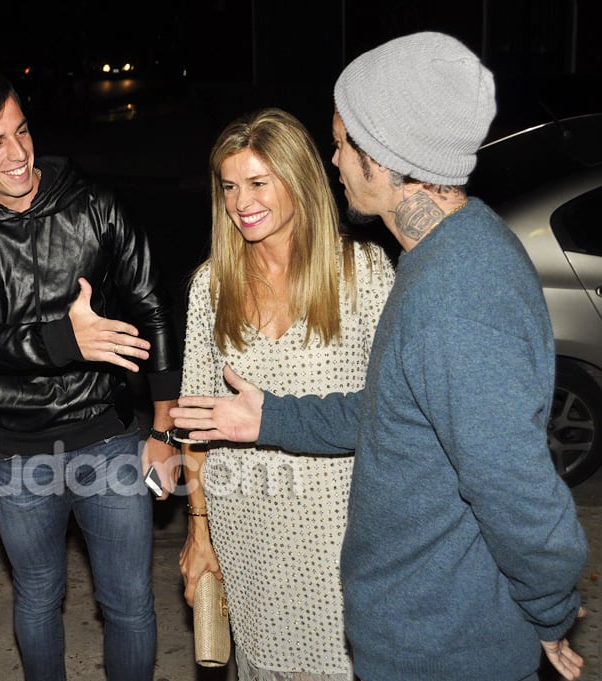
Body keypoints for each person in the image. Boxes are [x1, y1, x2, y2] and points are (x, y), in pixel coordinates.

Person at [170, 32, 588, 681]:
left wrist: (549, 612)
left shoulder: (458, 294)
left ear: (384, 154)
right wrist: (267, 419)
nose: (333, 160)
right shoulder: (437, 262)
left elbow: (521, 495)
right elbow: (387, 410)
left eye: (342, 143)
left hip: (441, 645)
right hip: (410, 632)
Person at [0, 65, 182, 681]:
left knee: (128, 604)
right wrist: (69, 339)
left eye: (21, 131)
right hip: (20, 456)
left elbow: (151, 303)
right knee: (38, 598)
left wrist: (167, 432)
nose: (17, 154)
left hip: (112, 439)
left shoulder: (93, 206)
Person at [177, 107, 394, 680]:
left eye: (257, 183)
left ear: (299, 180)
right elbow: (194, 426)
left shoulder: (364, 275)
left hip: (341, 536)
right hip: (244, 530)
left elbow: (398, 416)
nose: (241, 201)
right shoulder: (211, 286)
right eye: (229, 186)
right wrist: (200, 532)